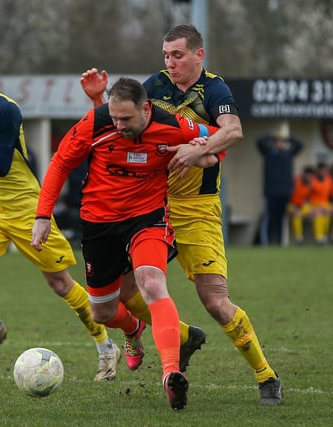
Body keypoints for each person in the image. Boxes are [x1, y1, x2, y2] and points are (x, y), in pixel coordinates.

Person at [80, 24, 282, 406]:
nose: (170, 63)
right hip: (153, 207)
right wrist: (97, 102)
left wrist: (197, 149)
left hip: (198, 210)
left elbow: (234, 131)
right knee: (125, 293)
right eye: (166, 56)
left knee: (216, 302)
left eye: (178, 55)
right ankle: (184, 335)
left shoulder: (214, 90)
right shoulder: (153, 87)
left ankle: (266, 376)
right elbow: (119, 125)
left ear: (198, 55)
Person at [32, 77, 221, 410]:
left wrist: (201, 153)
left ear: (146, 109)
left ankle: (170, 374)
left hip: (146, 219)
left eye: (126, 119)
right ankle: (133, 330)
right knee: (102, 312)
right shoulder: (95, 122)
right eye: (114, 117)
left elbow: (217, 142)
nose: (118, 125)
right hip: (98, 224)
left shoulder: (173, 125)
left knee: (152, 283)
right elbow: (61, 161)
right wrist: (43, 215)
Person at [0, 56, 120, 382]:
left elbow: (2, 164)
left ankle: (106, 348)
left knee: (60, 283)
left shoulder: (6, 110)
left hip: (27, 208)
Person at [256, 129, 303, 246]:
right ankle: (265, 242)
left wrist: (288, 138)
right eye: (278, 142)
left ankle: (279, 241)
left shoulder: (289, 154)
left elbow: (300, 145)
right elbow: (259, 142)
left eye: (282, 142)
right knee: (269, 216)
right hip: (271, 191)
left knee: (281, 218)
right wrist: (271, 137)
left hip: (285, 192)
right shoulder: (269, 152)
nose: (280, 144)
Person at [288, 165, 315, 245]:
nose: (309, 177)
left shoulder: (310, 185)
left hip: (302, 205)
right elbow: (287, 196)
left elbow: (307, 198)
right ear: (303, 174)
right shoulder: (295, 181)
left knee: (317, 213)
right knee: (297, 214)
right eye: (308, 174)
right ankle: (298, 238)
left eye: (311, 175)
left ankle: (320, 238)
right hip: (291, 205)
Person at [308, 162, 333, 245]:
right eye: (321, 170)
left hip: (326, 203)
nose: (322, 172)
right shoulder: (312, 180)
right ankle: (319, 238)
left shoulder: (329, 180)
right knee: (319, 214)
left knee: (328, 213)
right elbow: (307, 195)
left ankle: (325, 236)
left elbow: (331, 195)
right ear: (317, 171)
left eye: (324, 170)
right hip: (313, 204)